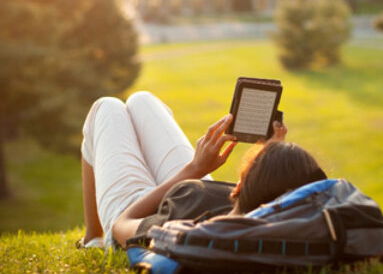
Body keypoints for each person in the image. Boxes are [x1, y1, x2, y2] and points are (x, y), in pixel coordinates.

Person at [79, 91, 327, 250]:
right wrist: (274, 156)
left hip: (140, 210)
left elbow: (122, 225)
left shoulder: (191, 229)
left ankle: (92, 238)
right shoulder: (268, 212)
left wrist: (194, 169)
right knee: (142, 100)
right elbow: (275, 194)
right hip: (190, 188)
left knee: (106, 107)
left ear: (238, 188)